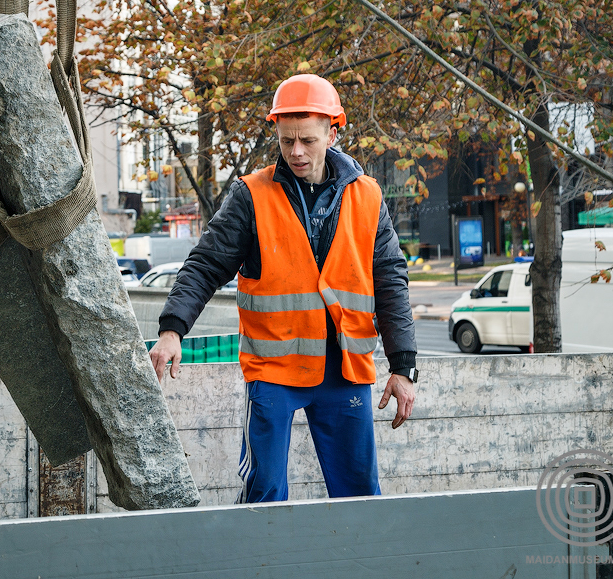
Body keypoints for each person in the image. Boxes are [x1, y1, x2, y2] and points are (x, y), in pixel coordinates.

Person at [149, 73, 417, 503]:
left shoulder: (367, 197)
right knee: (264, 491)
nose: (295, 151)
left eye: (308, 140)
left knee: (359, 494)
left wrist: (403, 367)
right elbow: (204, 266)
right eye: (286, 139)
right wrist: (171, 330)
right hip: (272, 372)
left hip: (344, 370)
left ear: (332, 132)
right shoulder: (251, 195)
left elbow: (391, 285)